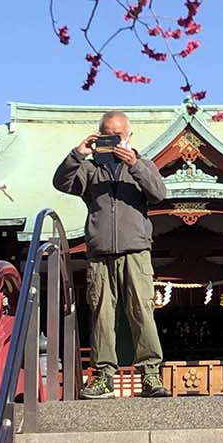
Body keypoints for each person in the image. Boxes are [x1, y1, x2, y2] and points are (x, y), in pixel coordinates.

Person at [52, 108, 169, 398]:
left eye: (118, 135)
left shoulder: (143, 165)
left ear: (129, 136)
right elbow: (61, 183)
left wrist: (135, 165)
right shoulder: (90, 170)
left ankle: (150, 374)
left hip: (136, 251)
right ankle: (103, 377)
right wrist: (78, 153)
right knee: (102, 315)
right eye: (106, 135)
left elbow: (159, 194)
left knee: (142, 311)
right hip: (100, 252)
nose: (113, 139)